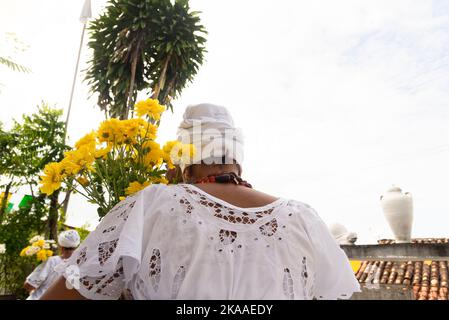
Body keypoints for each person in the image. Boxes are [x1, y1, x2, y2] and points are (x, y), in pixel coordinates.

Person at [42, 103, 360, 300]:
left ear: (186, 165)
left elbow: (67, 291)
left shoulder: (150, 204)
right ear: (238, 163)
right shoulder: (302, 217)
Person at [24, 230, 80, 300]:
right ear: (77, 246)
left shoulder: (52, 261)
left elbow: (29, 286)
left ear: (61, 246)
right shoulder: (81, 266)